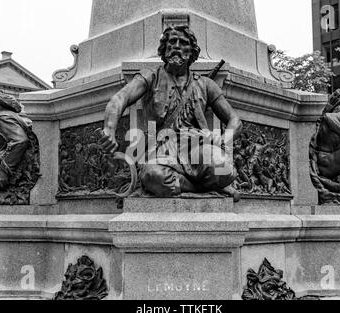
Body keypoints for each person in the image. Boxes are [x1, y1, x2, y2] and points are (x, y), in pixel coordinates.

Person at [100, 25, 242, 200]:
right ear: (164, 48)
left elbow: (235, 119)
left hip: (197, 146)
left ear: (192, 51)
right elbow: (120, 98)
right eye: (171, 42)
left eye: (183, 43)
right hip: (160, 148)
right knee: (154, 176)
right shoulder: (150, 77)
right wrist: (109, 129)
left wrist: (223, 139)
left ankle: (188, 184)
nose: (176, 46)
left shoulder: (205, 84)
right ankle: (203, 188)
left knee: (223, 168)